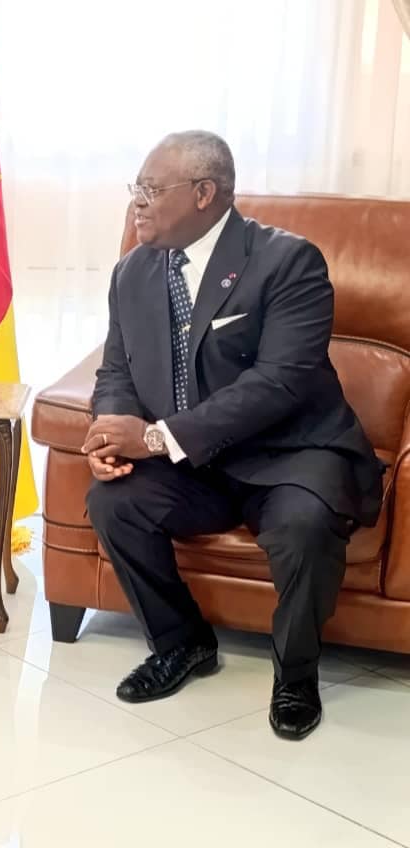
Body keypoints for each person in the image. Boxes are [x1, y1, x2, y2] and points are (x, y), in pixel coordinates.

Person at [82, 130, 384, 740]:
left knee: (303, 527)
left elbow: (280, 383)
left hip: (289, 454)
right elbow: (117, 371)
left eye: (151, 188)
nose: (137, 201)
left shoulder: (288, 262)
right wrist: (110, 431)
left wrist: (156, 438)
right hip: (195, 463)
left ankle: (295, 675)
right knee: (114, 502)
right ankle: (181, 642)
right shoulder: (132, 273)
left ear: (204, 193)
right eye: (136, 187)